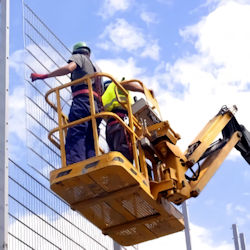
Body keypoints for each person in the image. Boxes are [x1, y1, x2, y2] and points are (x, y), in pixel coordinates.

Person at [31, 42, 103, 165]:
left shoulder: (79, 57)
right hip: (96, 106)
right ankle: (93, 164)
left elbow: (69, 68)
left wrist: (45, 76)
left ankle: (75, 165)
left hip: (82, 101)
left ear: (76, 52)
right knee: (91, 138)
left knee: (76, 132)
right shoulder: (97, 69)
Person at [102, 79, 145, 163]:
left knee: (114, 153)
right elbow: (127, 84)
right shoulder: (115, 85)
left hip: (110, 126)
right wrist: (143, 90)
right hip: (121, 122)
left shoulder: (104, 96)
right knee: (124, 155)